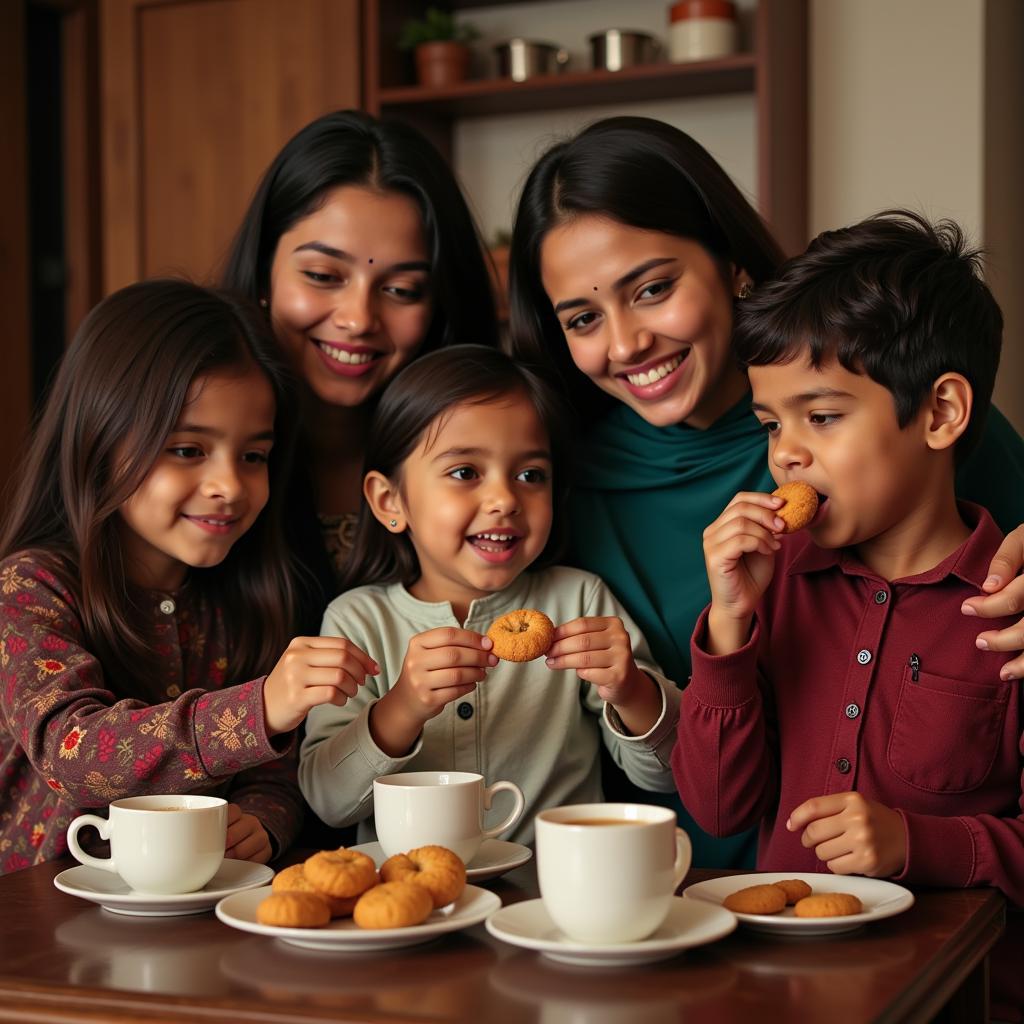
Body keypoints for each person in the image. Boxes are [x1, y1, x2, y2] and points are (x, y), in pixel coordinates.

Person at [507, 115, 1024, 867]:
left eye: (652, 288)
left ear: (732, 266)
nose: (624, 345)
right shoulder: (553, 477)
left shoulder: (889, 408)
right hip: (665, 886)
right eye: (584, 318)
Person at [673, 211, 1022, 1021]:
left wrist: (916, 844)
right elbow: (719, 808)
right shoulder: (779, 586)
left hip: (954, 1000)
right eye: (771, 424)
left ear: (939, 414)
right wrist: (728, 627)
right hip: (771, 992)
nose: (785, 453)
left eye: (821, 416)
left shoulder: (1009, 612)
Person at [0, 280, 376, 873]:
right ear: (100, 439)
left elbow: (275, 771)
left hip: (201, 922)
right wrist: (259, 707)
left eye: (253, 456)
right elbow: (72, 753)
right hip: (38, 925)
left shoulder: (248, 596)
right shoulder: (31, 587)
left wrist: (263, 822)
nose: (229, 485)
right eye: (186, 450)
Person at [298, 345, 679, 846]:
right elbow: (329, 803)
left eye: (530, 475)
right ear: (391, 501)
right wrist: (403, 706)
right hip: (410, 900)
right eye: (465, 473)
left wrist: (630, 689)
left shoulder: (579, 599)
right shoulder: (357, 621)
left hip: (547, 898)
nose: (504, 499)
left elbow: (667, 775)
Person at [222, 110, 499, 631]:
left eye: (402, 290)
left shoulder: (499, 457)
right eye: (323, 275)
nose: (358, 319)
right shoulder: (191, 457)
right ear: (264, 273)